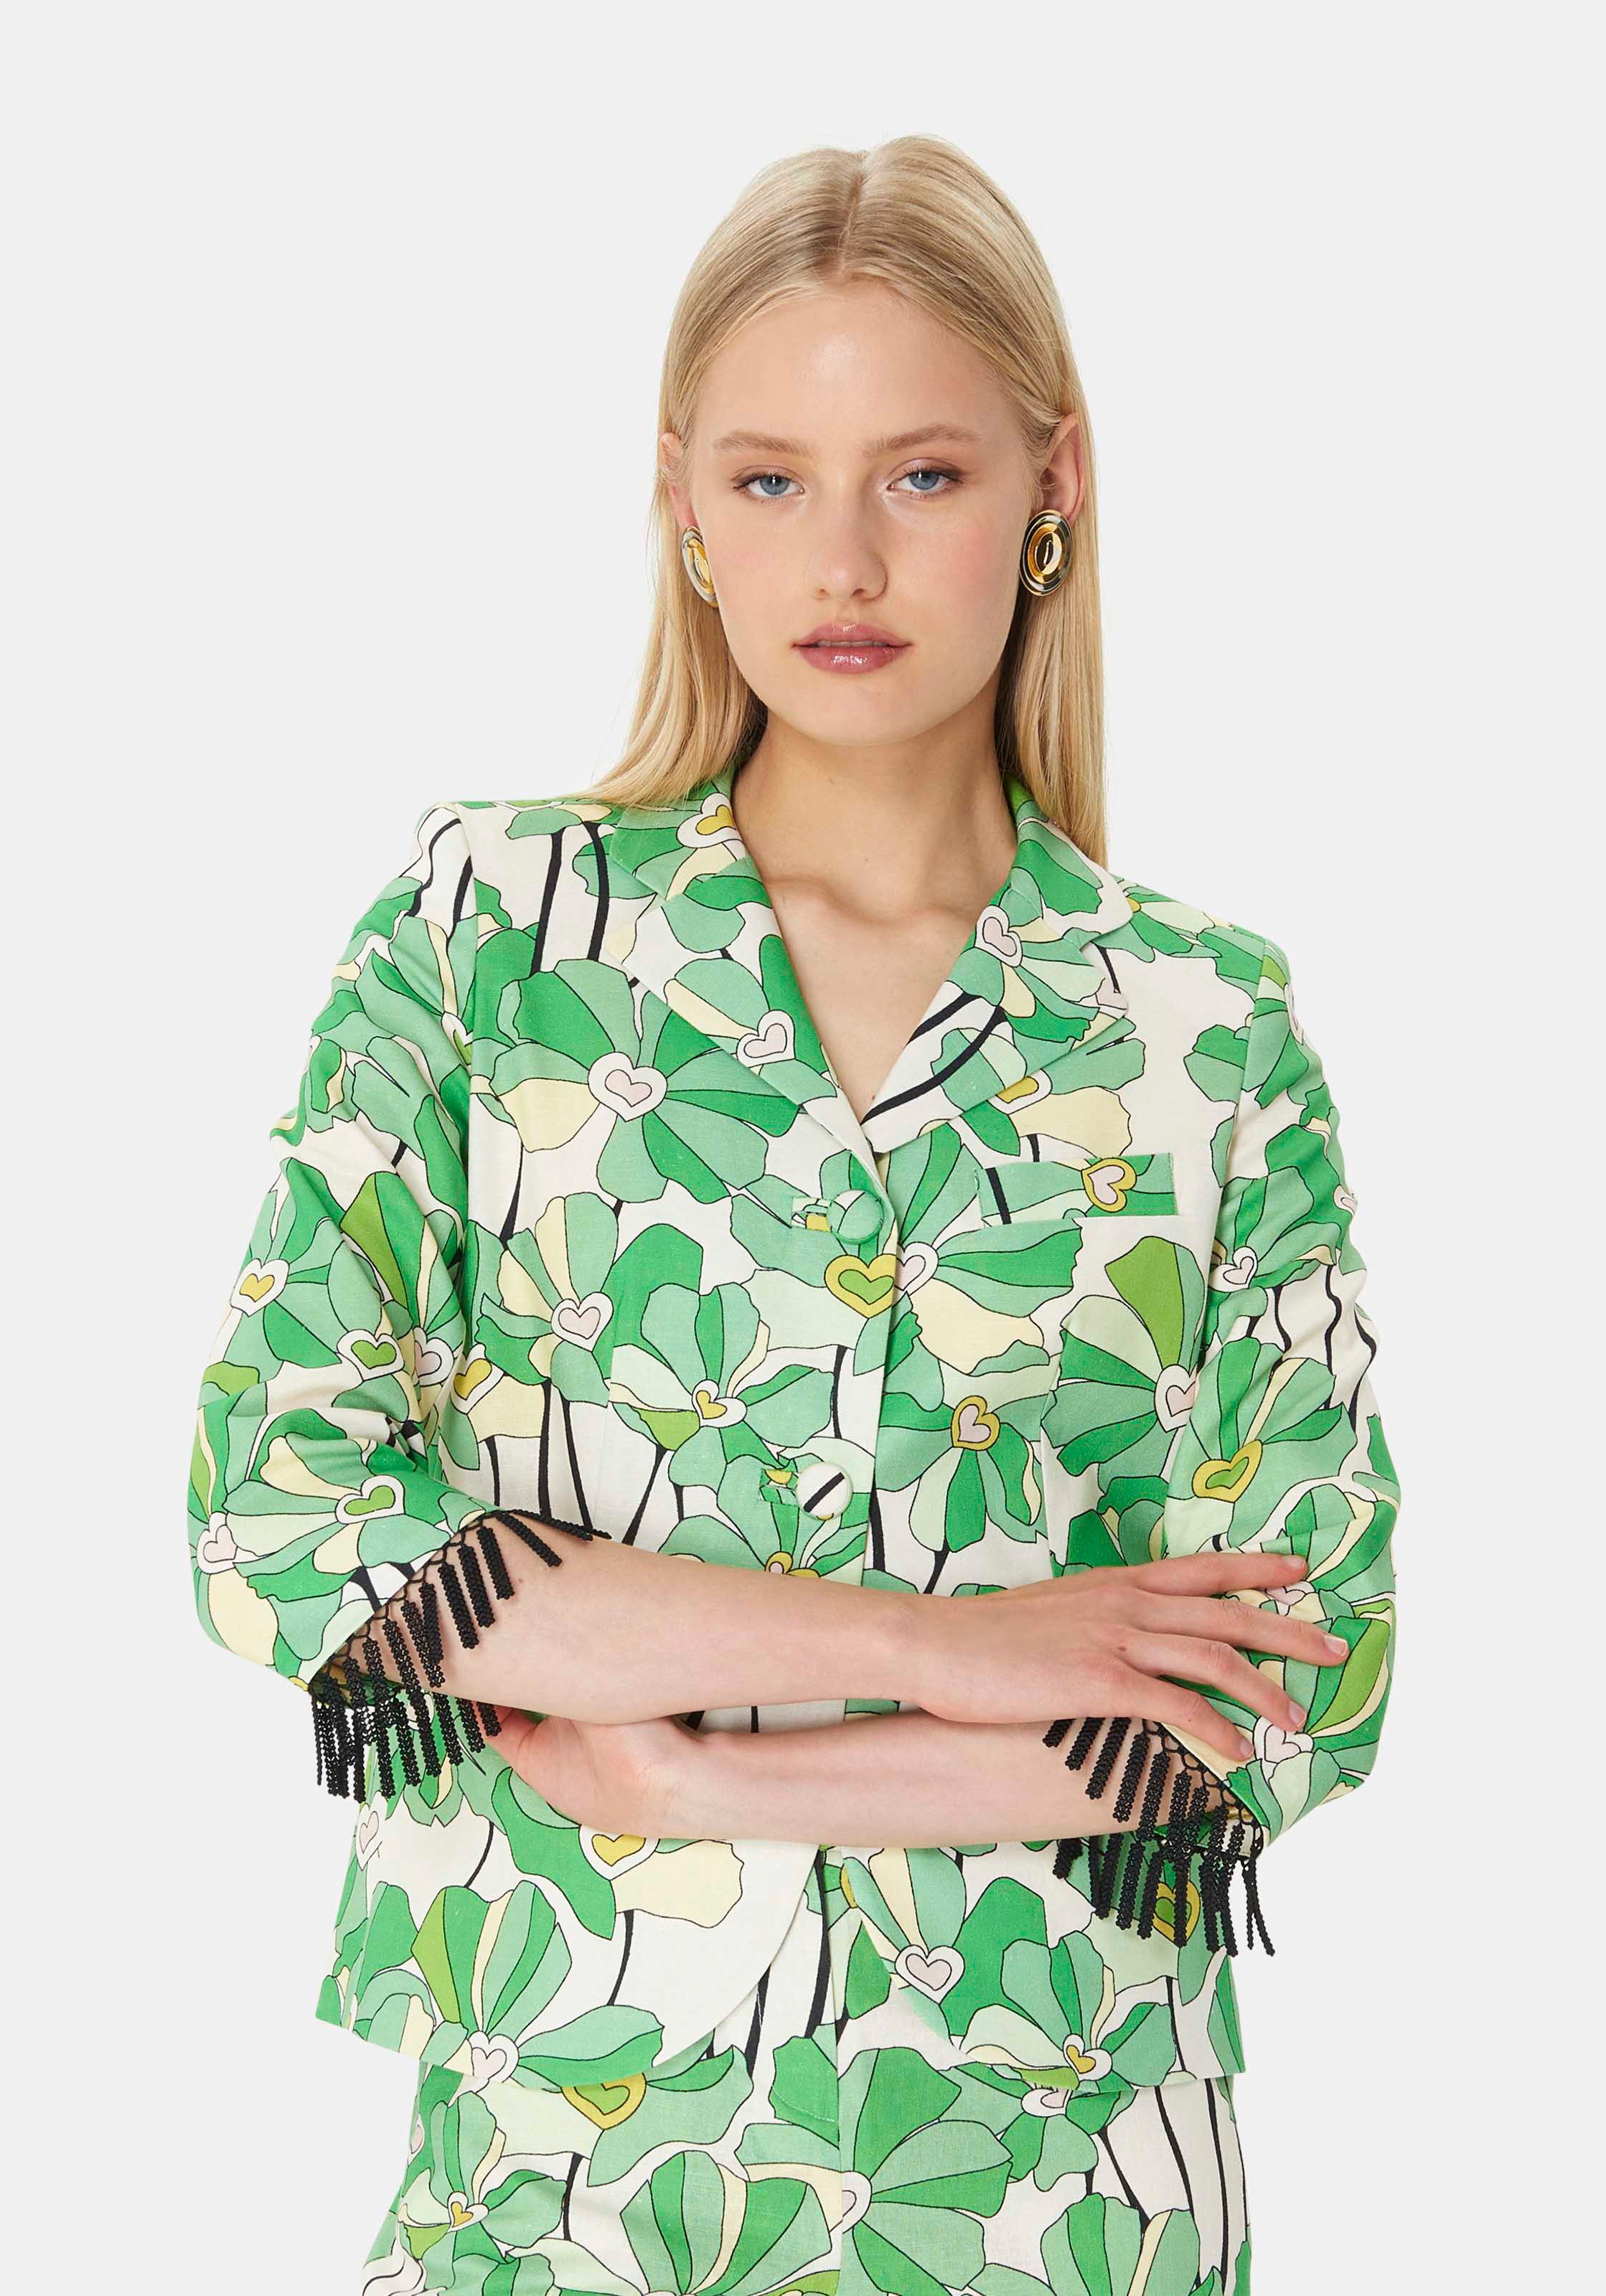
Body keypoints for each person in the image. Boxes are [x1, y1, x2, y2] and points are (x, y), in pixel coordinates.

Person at [188, 133, 1399, 2295]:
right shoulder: (495, 940)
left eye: (921, 474)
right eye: (770, 479)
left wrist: (694, 1779)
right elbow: (287, 1524)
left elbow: (1290, 1692)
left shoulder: (1204, 1035)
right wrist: (939, 1654)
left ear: (1053, 484)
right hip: (562, 2177)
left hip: (1059, 2194)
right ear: (680, 501)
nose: (843, 557)